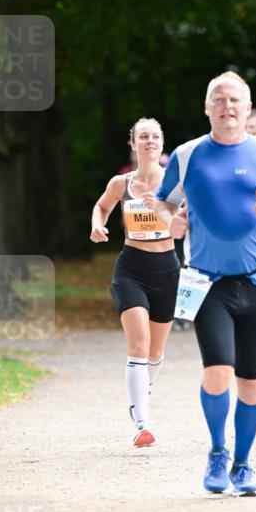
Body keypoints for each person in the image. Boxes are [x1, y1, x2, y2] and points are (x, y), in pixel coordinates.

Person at [153, 72, 256, 496]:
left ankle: (243, 464)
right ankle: (218, 452)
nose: (227, 106)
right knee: (218, 370)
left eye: (235, 99)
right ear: (207, 107)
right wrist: (171, 221)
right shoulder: (187, 154)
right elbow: (163, 201)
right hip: (207, 282)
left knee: (252, 380)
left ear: (247, 106)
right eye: (218, 99)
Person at [90, 118, 180, 448]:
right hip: (131, 269)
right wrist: (97, 225)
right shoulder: (121, 183)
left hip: (167, 269)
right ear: (133, 144)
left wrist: (167, 211)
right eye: (144, 136)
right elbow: (101, 206)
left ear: (162, 142)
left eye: (155, 136)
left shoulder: (175, 183)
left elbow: (189, 221)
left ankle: (143, 389)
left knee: (155, 351)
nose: (150, 141)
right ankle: (142, 423)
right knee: (139, 346)